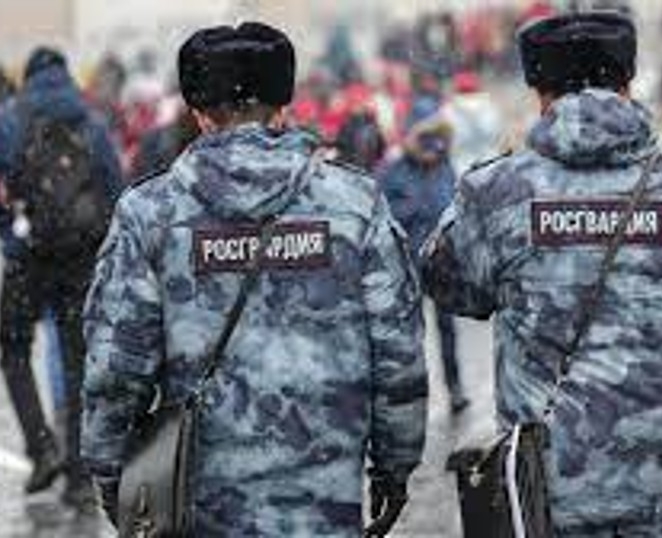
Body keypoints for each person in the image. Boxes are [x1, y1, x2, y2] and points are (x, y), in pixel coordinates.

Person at [423, 12, 662, 535]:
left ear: (540, 92)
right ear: (628, 82)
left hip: (547, 493)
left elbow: (450, 286)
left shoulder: (497, 191)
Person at [82, 23, 427, 536]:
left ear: (200, 115)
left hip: (204, 508)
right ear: (282, 109)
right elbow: (398, 352)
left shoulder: (149, 214)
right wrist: (395, 466)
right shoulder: (355, 204)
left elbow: (116, 370)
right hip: (324, 505)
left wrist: (114, 475)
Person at [0, 47, 122, 509]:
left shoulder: (10, 119)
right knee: (76, 363)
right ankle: (78, 474)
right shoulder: (91, 121)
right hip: (80, 260)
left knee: (13, 347)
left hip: (28, 255)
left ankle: (41, 446)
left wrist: (12, 234)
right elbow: (114, 187)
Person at [379, 101, 469, 414]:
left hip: (441, 264)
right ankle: (412, 398)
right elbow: (384, 216)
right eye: (425, 137)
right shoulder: (393, 172)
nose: (433, 146)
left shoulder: (446, 167)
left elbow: (457, 208)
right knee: (409, 336)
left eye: (437, 138)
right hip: (407, 266)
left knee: (448, 329)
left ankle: (455, 387)